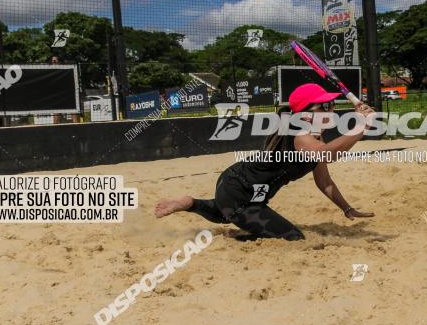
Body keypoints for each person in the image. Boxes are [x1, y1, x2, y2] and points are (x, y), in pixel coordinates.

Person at [154, 83, 375, 239]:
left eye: (332, 104)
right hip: (238, 189)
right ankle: (236, 236)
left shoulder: (315, 136)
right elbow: (328, 153)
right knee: (292, 236)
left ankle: (190, 203)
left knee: (225, 214)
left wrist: (347, 208)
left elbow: (324, 181)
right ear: (306, 114)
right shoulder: (300, 137)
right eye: (324, 106)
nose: (331, 109)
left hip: (243, 189)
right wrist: (361, 126)